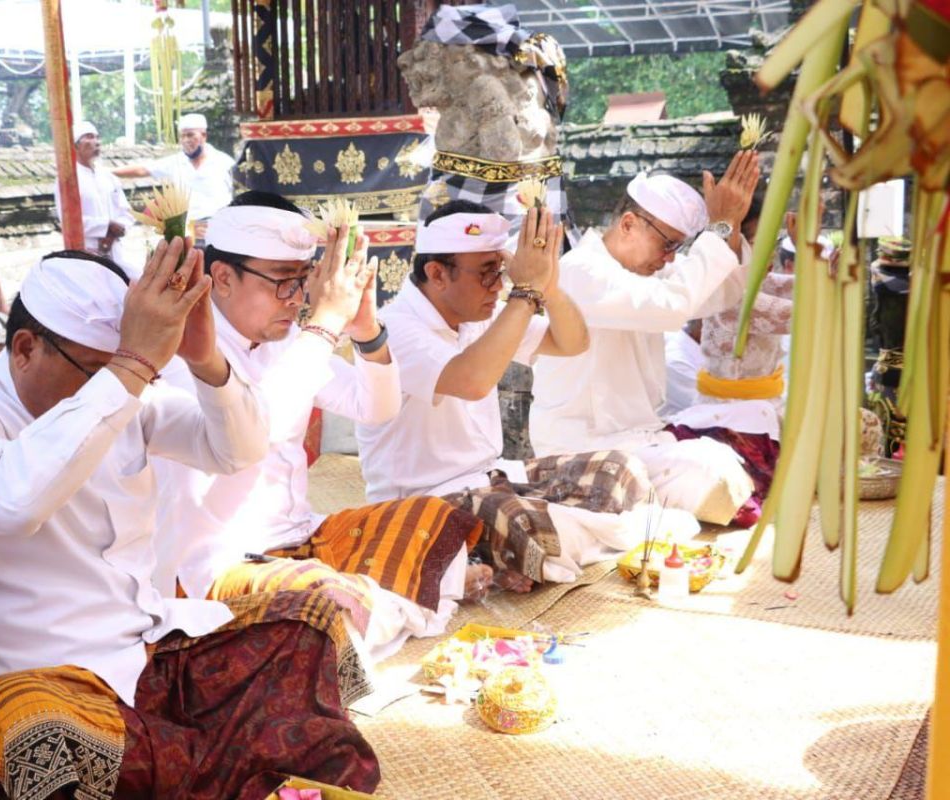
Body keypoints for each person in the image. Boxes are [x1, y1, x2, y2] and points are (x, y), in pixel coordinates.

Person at [0, 244, 379, 800]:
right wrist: (128, 368)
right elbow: (15, 502)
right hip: (24, 680)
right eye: (100, 371)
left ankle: (218, 764)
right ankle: (227, 766)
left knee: (308, 622)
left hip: (140, 653)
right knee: (45, 744)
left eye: (127, 371)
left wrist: (205, 361)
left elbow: (239, 449)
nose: (120, 391)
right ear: (25, 349)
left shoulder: (128, 388)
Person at [153, 193, 488, 663]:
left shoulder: (286, 339)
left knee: (433, 520)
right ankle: (384, 606)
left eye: (301, 282)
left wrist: (366, 330)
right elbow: (252, 435)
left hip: (302, 539)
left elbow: (375, 406)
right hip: (221, 564)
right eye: (282, 283)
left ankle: (379, 607)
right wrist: (325, 323)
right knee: (324, 609)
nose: (296, 300)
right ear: (223, 278)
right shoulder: (183, 355)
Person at [356, 200, 655, 593]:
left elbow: (573, 342)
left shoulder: (480, 313)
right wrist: (525, 293)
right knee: (525, 525)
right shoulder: (396, 328)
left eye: (501, 271)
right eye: (486, 273)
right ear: (436, 274)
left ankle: (515, 556)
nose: (498, 285)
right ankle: (548, 544)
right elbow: (472, 380)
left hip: (493, 480)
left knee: (621, 469)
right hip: (424, 503)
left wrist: (547, 287)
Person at [528, 152, 764, 526]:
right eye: (668, 245)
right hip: (583, 451)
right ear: (628, 224)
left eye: (678, 248)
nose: (670, 259)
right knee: (710, 470)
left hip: (640, 443)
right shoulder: (581, 272)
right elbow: (672, 307)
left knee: (740, 437)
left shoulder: (644, 277)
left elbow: (722, 292)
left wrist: (731, 225)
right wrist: (718, 227)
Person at [113, 113, 235, 243]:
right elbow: (142, 170)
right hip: (187, 234)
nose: (185, 140)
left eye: (190, 135)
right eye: (182, 136)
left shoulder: (224, 162)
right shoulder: (174, 162)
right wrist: (106, 173)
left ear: (204, 135)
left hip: (221, 231)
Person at [54, 121, 137, 275]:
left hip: (116, 250)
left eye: (97, 138)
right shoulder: (68, 179)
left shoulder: (108, 176)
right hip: (86, 250)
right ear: (76, 145)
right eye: (89, 137)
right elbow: (69, 221)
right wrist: (105, 227)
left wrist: (114, 233)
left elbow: (127, 212)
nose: (96, 142)